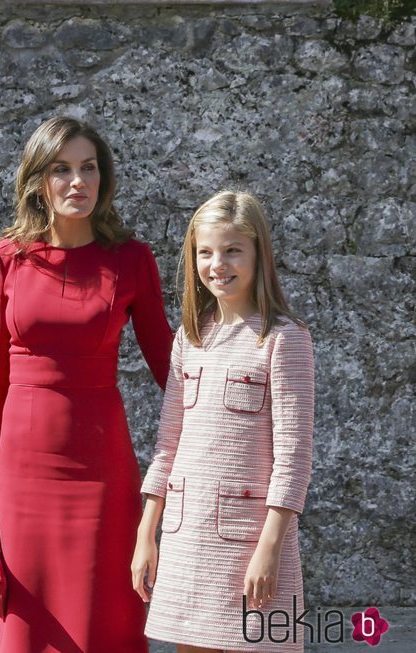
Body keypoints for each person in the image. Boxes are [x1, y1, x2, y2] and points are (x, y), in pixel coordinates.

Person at [0, 116, 173, 652]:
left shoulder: (131, 259)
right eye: (62, 170)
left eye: (88, 168)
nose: (78, 182)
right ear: (39, 181)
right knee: (31, 614)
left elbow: (169, 365)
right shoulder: (7, 257)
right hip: (23, 465)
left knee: (107, 609)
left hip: (102, 462)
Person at [132, 191, 314, 652]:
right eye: (206, 252)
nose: (218, 264)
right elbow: (168, 444)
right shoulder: (189, 340)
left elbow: (293, 457)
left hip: (249, 543)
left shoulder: (283, 340)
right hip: (185, 540)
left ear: (258, 254)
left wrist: (270, 547)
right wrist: (146, 535)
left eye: (233, 250)